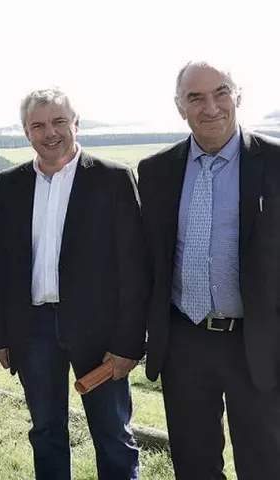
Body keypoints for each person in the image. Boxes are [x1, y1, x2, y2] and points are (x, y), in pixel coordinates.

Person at [0, 88, 149, 480]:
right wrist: (0, 335)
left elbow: (135, 268)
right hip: (33, 331)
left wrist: (128, 344)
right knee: (46, 433)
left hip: (99, 333)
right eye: (38, 125)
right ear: (26, 132)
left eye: (59, 121)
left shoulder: (112, 179)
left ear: (76, 124)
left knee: (112, 434)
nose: (50, 133)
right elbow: (0, 266)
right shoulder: (10, 185)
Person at [138, 60, 280, 479]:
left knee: (265, 462)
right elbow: (149, 260)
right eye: (195, 98)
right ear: (180, 107)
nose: (210, 107)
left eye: (220, 93)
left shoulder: (275, 162)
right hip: (185, 341)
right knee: (194, 463)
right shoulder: (156, 171)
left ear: (238, 96)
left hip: (258, 343)